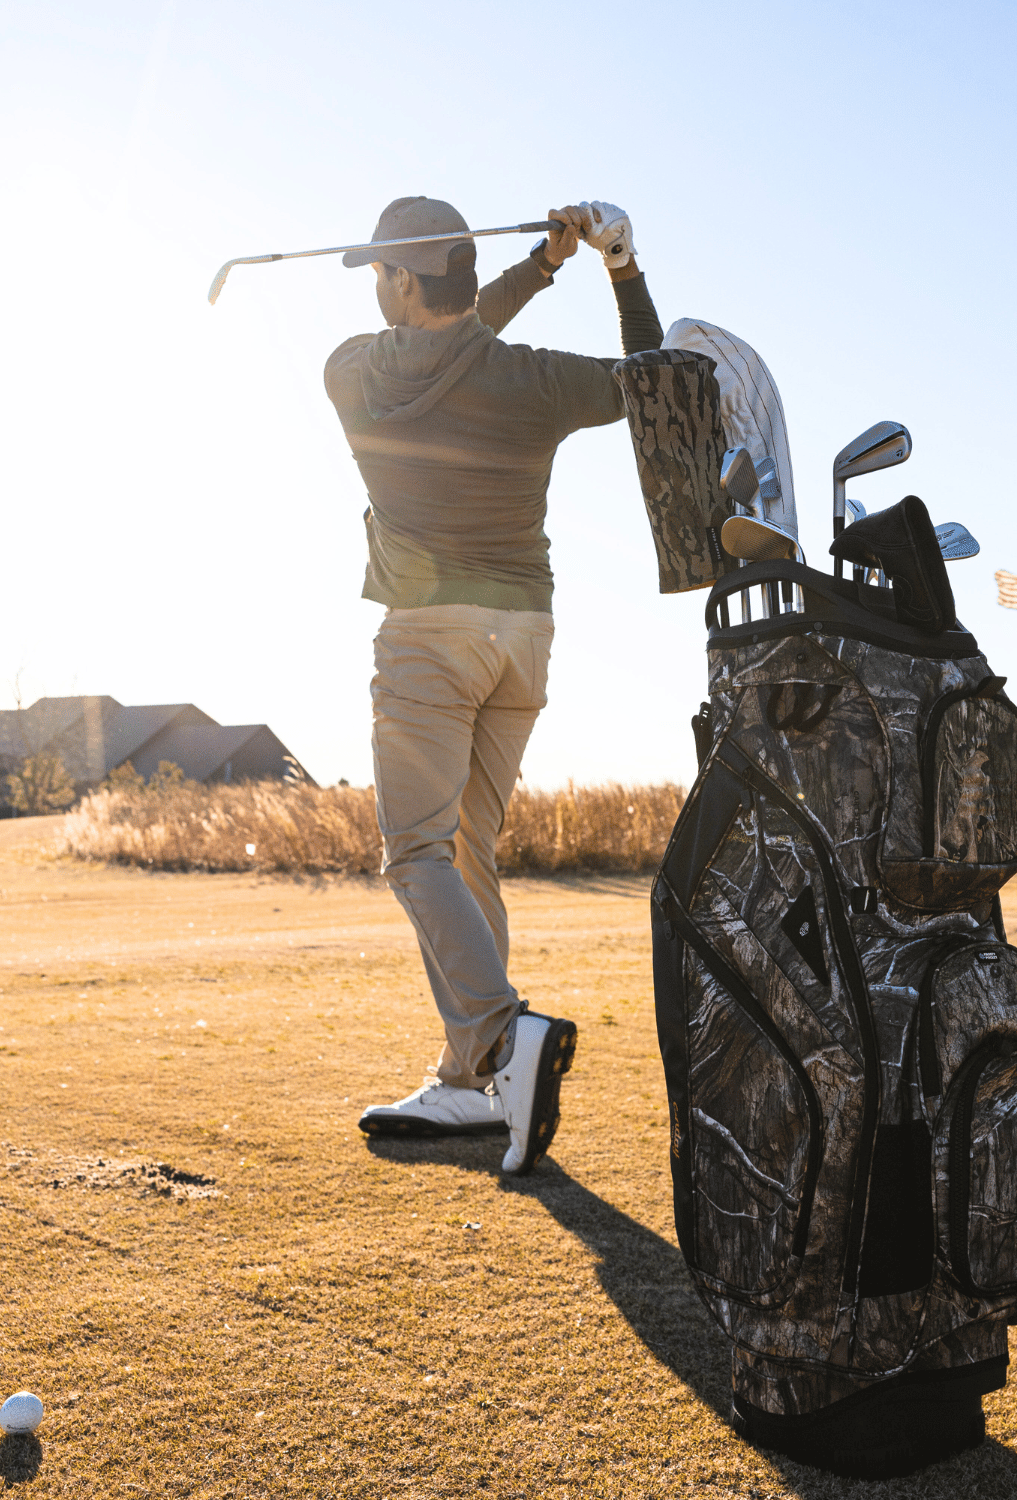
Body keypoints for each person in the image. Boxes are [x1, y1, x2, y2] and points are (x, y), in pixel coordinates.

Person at [323, 195, 662, 1173]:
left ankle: (506, 1041)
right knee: (471, 851)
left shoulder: (353, 370)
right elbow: (651, 382)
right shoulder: (532, 380)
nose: (375, 286)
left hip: (429, 638)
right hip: (524, 639)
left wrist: (538, 270)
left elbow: (452, 346)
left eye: (381, 271)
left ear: (400, 282)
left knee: (414, 853)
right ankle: (468, 1083)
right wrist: (613, 263)